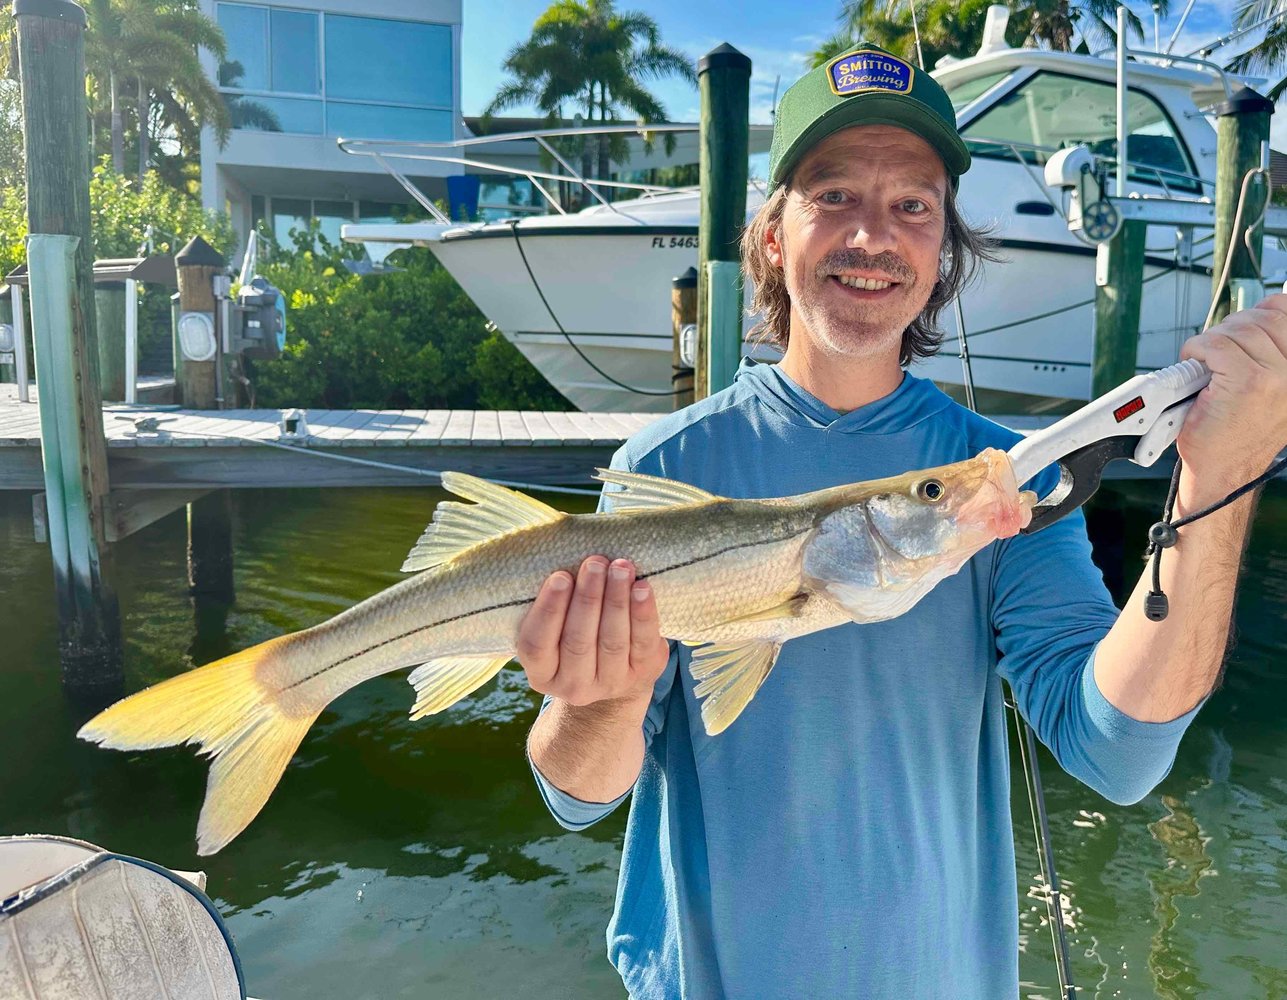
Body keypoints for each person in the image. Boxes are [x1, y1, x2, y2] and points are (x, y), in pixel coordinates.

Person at [517, 43, 1287, 998]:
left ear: (942, 250)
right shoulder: (662, 470)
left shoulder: (1004, 485)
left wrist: (1220, 486)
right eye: (833, 195)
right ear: (772, 235)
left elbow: (1116, 754)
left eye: (911, 206)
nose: (871, 236)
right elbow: (575, 796)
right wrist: (602, 698)